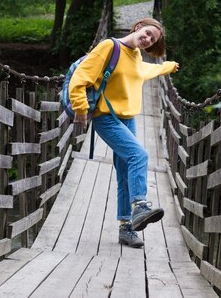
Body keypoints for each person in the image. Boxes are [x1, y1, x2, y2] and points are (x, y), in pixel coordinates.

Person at [68, 17, 179, 248]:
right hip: (106, 118)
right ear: (138, 26)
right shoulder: (109, 47)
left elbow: (144, 71)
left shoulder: (137, 56)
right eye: (147, 33)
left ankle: (126, 228)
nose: (147, 40)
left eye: (152, 40)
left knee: (125, 174)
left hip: (128, 120)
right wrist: (80, 108)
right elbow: (81, 77)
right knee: (140, 156)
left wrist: (168, 66)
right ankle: (140, 205)